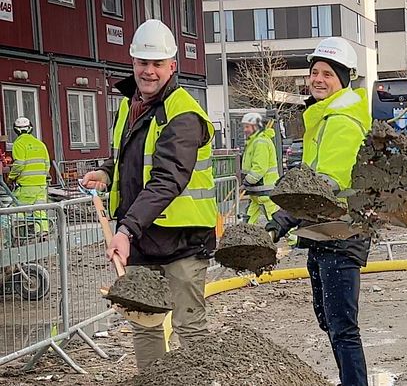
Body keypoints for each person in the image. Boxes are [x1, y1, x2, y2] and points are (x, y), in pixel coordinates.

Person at [81, 19, 217, 371]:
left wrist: (125, 231)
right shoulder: (129, 106)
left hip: (182, 239)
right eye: (143, 62)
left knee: (190, 328)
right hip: (143, 238)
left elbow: (167, 178)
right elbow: (132, 162)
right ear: (133, 63)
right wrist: (108, 173)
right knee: (145, 325)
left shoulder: (184, 113)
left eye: (157, 64)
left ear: (172, 66)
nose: (149, 71)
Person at [265, 37, 372, 386]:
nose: (318, 79)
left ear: (344, 78)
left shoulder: (341, 120)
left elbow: (321, 187)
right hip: (323, 234)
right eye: (314, 72)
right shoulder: (324, 117)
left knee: (342, 328)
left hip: (340, 233)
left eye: (328, 73)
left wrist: (280, 221)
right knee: (331, 321)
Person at [8, 117, 51, 231]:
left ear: (16, 130)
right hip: (41, 185)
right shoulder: (40, 144)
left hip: (26, 186)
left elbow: (19, 164)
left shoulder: (19, 144)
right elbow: (47, 165)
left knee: (18, 211)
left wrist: (11, 177)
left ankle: (21, 237)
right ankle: (43, 234)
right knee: (40, 211)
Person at [240, 111, 279, 224]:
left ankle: (293, 240)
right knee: (249, 221)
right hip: (257, 190)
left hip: (264, 189)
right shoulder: (254, 142)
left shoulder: (260, 142)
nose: (245, 130)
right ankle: (245, 238)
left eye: (247, 126)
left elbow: (259, 168)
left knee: (277, 220)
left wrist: (247, 181)